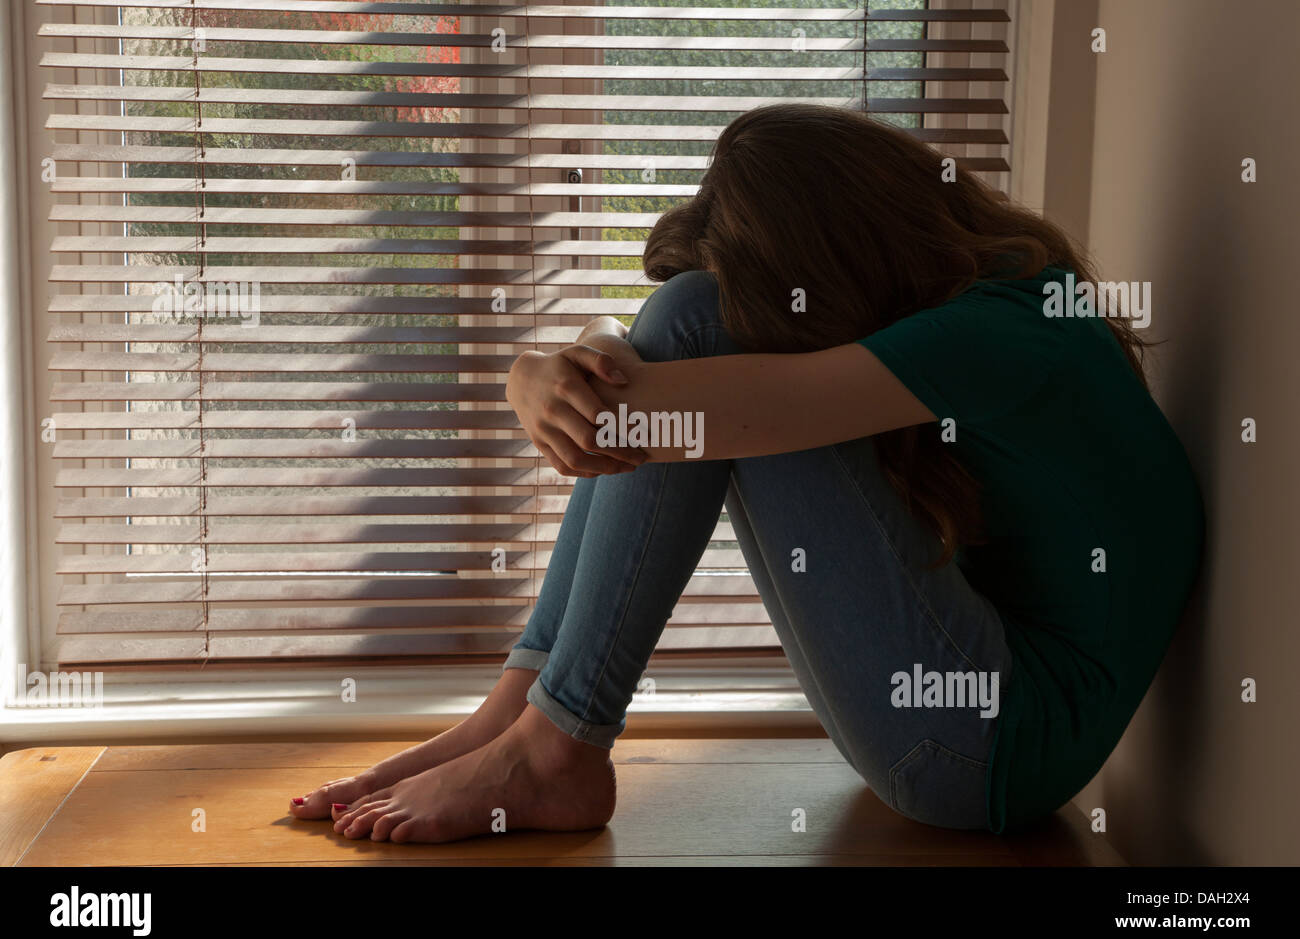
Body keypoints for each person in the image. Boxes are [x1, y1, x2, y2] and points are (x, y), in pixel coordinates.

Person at [288, 104, 1205, 844]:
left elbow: (658, 391)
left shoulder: (996, 335)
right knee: (687, 316)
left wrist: (532, 373)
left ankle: (556, 742)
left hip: (976, 748)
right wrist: (575, 354)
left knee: (694, 321)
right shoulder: (1005, 296)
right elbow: (648, 369)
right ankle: (518, 718)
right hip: (961, 722)